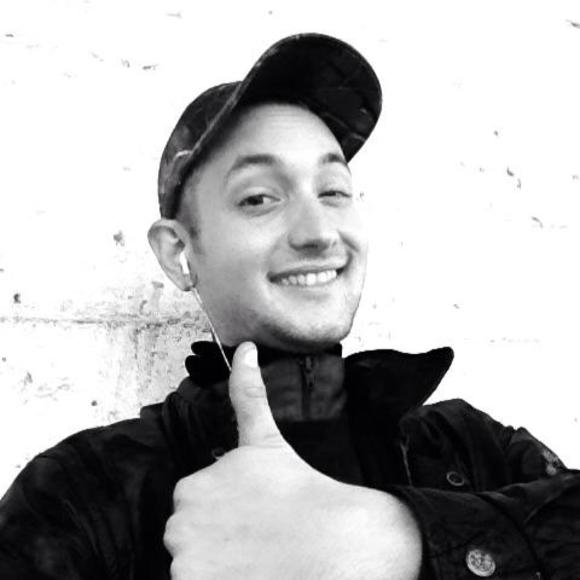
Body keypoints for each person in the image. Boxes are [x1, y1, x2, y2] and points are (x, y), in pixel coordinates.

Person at [0, 32, 578, 579]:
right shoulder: (81, 494)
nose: (319, 232)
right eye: (259, 198)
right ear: (179, 253)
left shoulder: (474, 446)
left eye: (333, 191)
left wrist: (401, 542)